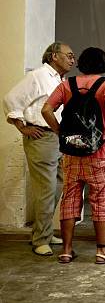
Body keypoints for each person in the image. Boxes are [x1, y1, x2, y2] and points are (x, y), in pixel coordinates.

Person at [41, 47, 105, 264]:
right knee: (102, 199)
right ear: (104, 63)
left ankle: (67, 250)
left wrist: (59, 131)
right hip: (99, 153)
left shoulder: (67, 84)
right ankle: (102, 251)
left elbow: (46, 110)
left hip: (71, 152)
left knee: (69, 199)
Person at [3, 42, 75, 256]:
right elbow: (11, 99)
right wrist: (22, 127)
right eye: (68, 55)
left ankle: (42, 231)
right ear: (54, 56)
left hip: (57, 137)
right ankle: (40, 239)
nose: (72, 59)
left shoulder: (58, 79)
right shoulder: (38, 75)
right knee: (46, 188)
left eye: (73, 56)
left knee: (58, 185)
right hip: (41, 136)